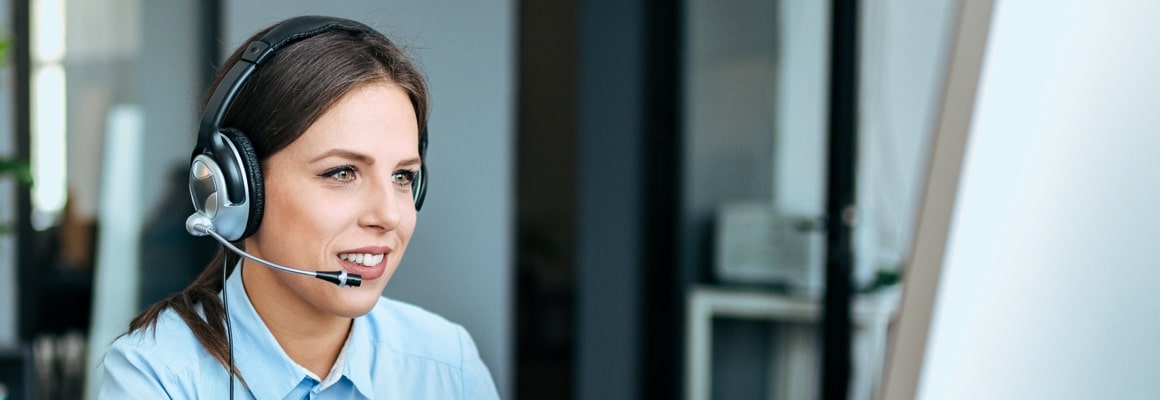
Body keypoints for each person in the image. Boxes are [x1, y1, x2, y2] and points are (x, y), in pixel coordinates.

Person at [99, 16, 500, 399]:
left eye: (403, 177)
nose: (389, 216)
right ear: (236, 189)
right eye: (342, 173)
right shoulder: (156, 376)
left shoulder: (449, 362)